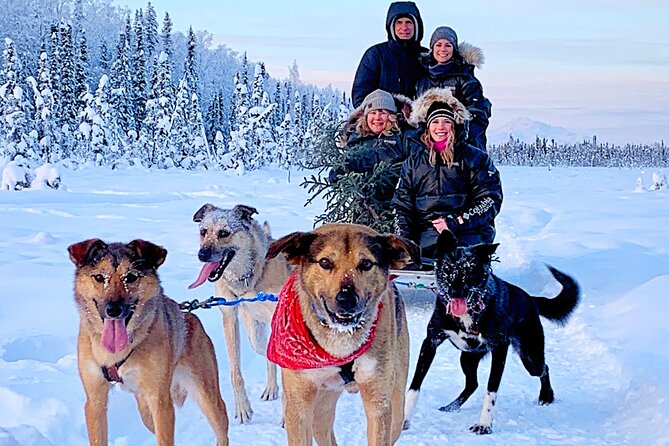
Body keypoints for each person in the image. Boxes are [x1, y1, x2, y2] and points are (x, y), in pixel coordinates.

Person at [393, 87, 502, 261]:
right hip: (425, 237)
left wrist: (456, 221)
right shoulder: (413, 163)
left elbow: (489, 200)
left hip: (467, 234)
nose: (441, 127)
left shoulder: (476, 159)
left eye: (446, 121)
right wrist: (404, 241)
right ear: (427, 127)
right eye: (435, 122)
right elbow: (402, 206)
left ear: (455, 125)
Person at [328, 89, 413, 228]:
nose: (377, 117)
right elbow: (351, 164)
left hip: (397, 207)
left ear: (392, 116)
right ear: (365, 116)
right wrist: (339, 172)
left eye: (383, 112)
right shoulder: (355, 139)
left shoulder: (404, 137)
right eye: (373, 112)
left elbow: (413, 168)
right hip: (364, 208)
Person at [416, 26, 492, 149]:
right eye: (438, 45)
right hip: (428, 141)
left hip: (461, 141)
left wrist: (462, 134)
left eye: (448, 45)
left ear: (454, 49)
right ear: (432, 48)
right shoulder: (422, 78)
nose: (443, 49)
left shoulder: (465, 77)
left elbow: (478, 112)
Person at [351, 1, 426, 108]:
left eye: (409, 22)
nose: (404, 27)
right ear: (391, 26)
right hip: (383, 121)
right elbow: (360, 94)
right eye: (399, 22)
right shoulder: (376, 55)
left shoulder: (426, 56)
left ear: (417, 25)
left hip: (418, 122)